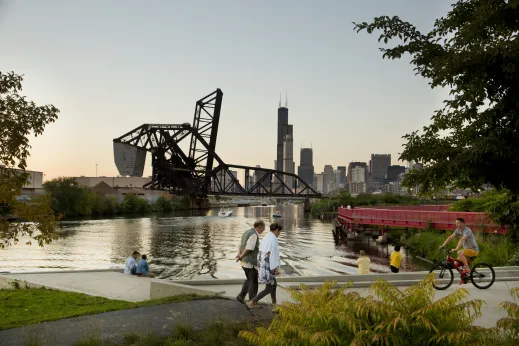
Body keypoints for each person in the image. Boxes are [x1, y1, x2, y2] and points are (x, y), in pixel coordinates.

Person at [247, 223, 282, 311]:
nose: (279, 234)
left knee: (274, 285)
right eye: (279, 232)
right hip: (268, 266)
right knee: (269, 288)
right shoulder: (273, 239)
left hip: (263, 265)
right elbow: (272, 255)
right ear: (277, 230)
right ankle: (252, 302)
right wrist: (275, 269)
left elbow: (261, 252)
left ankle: (274, 304)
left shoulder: (267, 237)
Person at [235, 220, 266, 303]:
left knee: (249, 280)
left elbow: (241, 244)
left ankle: (241, 297)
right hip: (250, 263)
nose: (264, 230)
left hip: (244, 262)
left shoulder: (247, 232)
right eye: (263, 228)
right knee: (254, 283)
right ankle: (252, 301)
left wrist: (239, 254)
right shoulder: (254, 235)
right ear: (259, 227)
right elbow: (249, 248)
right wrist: (241, 256)